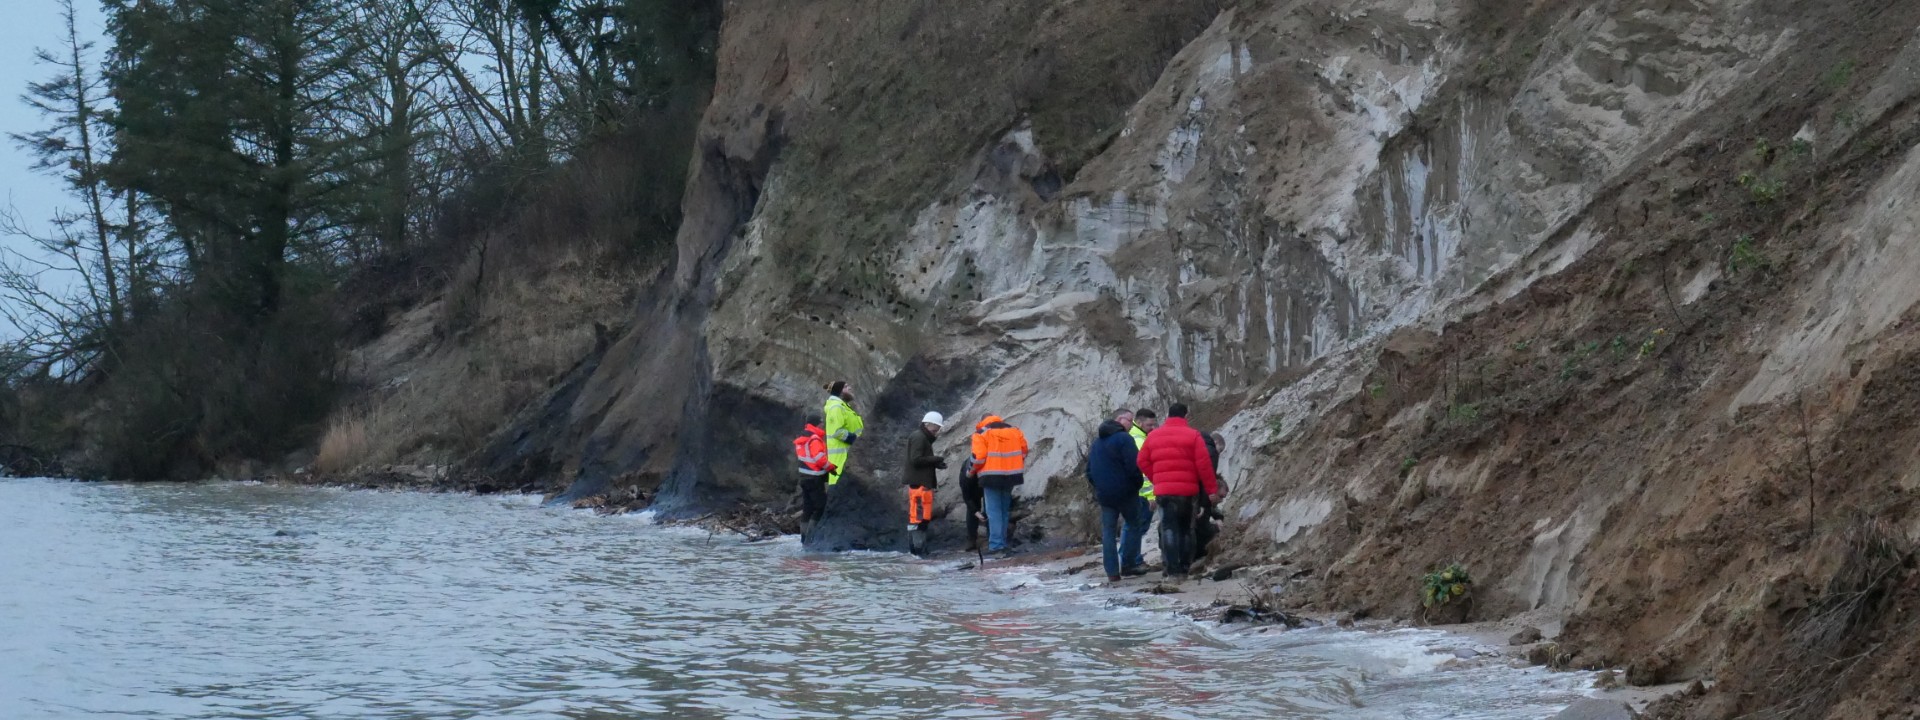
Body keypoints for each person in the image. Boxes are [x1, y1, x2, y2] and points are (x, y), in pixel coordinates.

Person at [1136, 403, 1219, 580]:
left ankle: (1172, 570)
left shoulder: (1153, 436)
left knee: (1169, 529)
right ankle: (1183, 569)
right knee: (1186, 530)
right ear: (1186, 416)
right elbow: (1204, 466)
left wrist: (1156, 478)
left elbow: (1142, 461)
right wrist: (1211, 490)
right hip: (1188, 491)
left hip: (1164, 491)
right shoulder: (1193, 435)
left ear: (1168, 416)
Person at [1086, 414, 1149, 582]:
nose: (1131, 423)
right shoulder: (1124, 439)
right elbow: (1134, 466)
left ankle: (1112, 572)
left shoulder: (1096, 443)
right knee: (1134, 523)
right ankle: (1129, 564)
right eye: (1129, 420)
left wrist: (1099, 486)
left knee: (1108, 532)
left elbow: (1089, 471)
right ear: (1120, 421)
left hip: (1105, 494)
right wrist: (1136, 485)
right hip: (1126, 492)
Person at [969, 414, 1029, 558]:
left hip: (991, 476)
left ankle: (996, 545)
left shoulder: (981, 433)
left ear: (982, 421)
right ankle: (1002, 543)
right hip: (1012, 475)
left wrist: (970, 471)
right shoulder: (1015, 431)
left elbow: (979, 457)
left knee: (994, 511)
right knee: (1003, 509)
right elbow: (1024, 451)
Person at [903, 411, 947, 557]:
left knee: (919, 519)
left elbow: (920, 460)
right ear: (928, 424)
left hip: (920, 484)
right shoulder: (919, 437)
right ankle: (918, 552)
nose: (938, 430)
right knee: (919, 520)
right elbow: (916, 459)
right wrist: (935, 460)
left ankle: (917, 552)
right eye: (936, 427)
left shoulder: (922, 437)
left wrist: (935, 464)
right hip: (919, 486)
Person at [792, 413, 836, 537]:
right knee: (820, 507)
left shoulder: (802, 437)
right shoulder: (815, 439)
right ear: (816, 423)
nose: (823, 425)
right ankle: (812, 537)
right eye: (821, 423)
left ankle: (804, 539)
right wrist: (831, 467)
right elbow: (819, 458)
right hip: (815, 478)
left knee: (807, 509)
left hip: (804, 478)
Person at [822, 381, 864, 486]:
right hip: (840, 465)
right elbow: (837, 432)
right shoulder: (836, 408)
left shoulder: (843, 407)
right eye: (846, 387)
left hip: (847, 464)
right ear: (840, 392)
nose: (850, 388)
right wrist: (856, 441)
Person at [958, 457, 985, 551]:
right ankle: (971, 539)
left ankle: (992, 538)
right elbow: (967, 497)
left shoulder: (987, 467)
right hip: (973, 488)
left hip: (990, 481)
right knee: (972, 510)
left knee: (990, 508)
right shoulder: (966, 478)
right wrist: (976, 512)